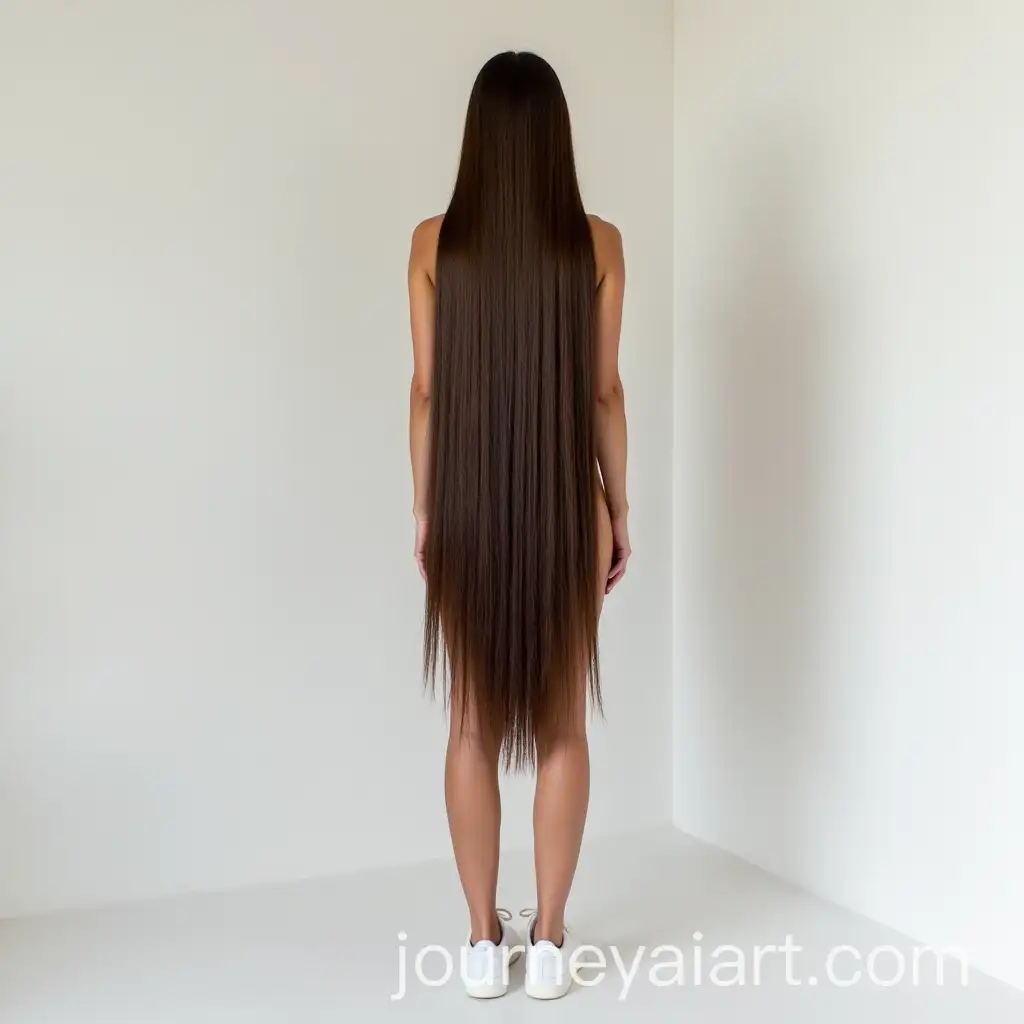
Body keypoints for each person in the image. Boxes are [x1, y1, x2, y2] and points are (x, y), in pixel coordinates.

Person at [407, 51, 630, 1000]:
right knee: (561, 722)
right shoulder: (599, 242)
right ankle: (547, 942)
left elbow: (425, 391)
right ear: (555, 139)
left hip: (464, 499)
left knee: (469, 719)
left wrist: (426, 510)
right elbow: (605, 393)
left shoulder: (432, 242)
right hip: (563, 504)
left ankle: (474, 944)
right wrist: (616, 510)